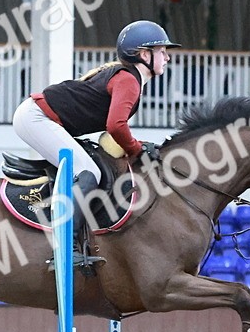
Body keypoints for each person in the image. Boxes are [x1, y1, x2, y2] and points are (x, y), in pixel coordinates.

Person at [12, 20, 179, 266]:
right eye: (162, 52)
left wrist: (138, 145)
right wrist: (136, 148)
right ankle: (64, 250)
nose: (167, 58)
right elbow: (116, 126)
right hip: (36, 118)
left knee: (89, 166)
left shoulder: (128, 78)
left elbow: (114, 132)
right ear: (144, 55)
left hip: (40, 117)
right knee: (87, 171)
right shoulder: (128, 80)